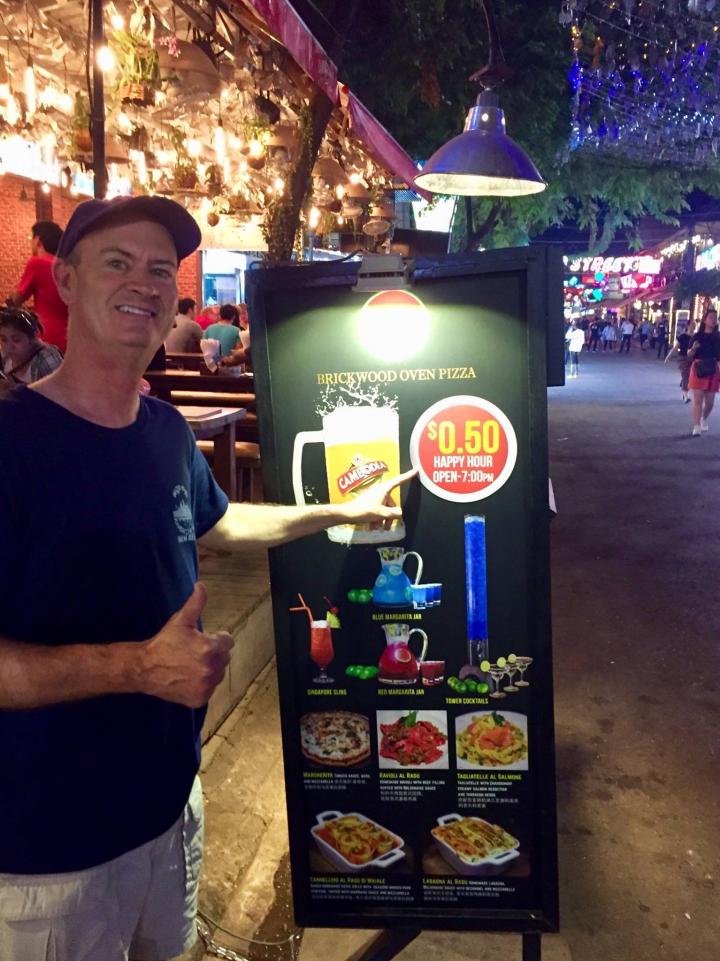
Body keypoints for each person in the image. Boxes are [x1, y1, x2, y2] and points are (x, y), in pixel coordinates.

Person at [0, 194, 415, 961]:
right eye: (118, 262)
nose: (145, 282)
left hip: (170, 808)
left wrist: (337, 510)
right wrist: (137, 667)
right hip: (52, 848)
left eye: (162, 269)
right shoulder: (12, 442)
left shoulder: (163, 429)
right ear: (66, 280)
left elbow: (221, 522)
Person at [6, 220, 69, 354]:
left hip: (47, 340)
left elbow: (16, 300)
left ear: (37, 240)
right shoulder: (66, 266)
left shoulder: (37, 263)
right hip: (71, 339)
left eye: (31, 238)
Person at [0, 306, 63, 388]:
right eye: (4, 340)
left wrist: (15, 389)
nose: (9, 347)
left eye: (16, 340)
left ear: (32, 338)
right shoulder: (3, 357)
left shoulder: (46, 358)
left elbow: (62, 392)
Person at [688, 308, 720, 435]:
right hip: (698, 367)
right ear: (705, 320)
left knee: (710, 402)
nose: (713, 320)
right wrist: (693, 348)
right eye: (711, 317)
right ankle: (696, 426)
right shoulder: (697, 336)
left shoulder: (718, 336)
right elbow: (689, 354)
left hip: (713, 367)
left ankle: (704, 418)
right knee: (697, 399)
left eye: (715, 318)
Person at [665, 321, 694, 403]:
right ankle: (685, 396)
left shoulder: (696, 337)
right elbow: (675, 348)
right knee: (685, 376)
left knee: (689, 376)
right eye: (692, 325)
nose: (694, 326)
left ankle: (684, 392)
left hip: (692, 359)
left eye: (694, 325)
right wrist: (668, 357)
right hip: (683, 358)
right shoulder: (682, 337)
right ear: (688, 326)